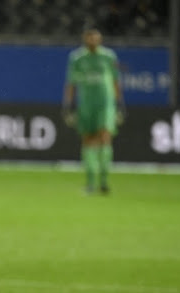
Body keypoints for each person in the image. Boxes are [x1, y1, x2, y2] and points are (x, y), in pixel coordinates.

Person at [63, 28, 125, 195]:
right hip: (86, 105)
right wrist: (68, 106)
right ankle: (90, 183)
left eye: (95, 38)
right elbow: (71, 83)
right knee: (88, 140)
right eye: (89, 38)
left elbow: (116, 81)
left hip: (106, 104)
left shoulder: (108, 56)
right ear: (85, 39)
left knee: (105, 137)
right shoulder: (77, 58)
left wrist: (120, 104)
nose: (92, 41)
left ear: (100, 39)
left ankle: (104, 182)